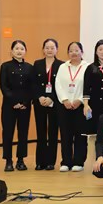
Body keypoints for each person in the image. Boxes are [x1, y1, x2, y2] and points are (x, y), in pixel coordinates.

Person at [0, 40, 33, 172]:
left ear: (25, 51)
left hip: (25, 106)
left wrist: (25, 103)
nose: (19, 51)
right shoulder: (5, 66)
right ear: (12, 51)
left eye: (22, 49)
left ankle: (21, 160)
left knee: (23, 133)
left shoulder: (30, 68)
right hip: (9, 105)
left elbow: (31, 88)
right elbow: (3, 86)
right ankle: (8, 161)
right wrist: (14, 102)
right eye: (16, 48)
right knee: (8, 133)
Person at [55, 42, 89, 172]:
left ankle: (79, 162)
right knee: (65, 134)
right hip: (64, 105)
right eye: (71, 51)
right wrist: (64, 99)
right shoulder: (63, 67)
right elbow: (58, 84)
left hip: (80, 105)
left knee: (80, 135)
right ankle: (66, 161)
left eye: (76, 50)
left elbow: (88, 86)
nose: (74, 53)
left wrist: (79, 100)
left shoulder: (87, 67)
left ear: (82, 52)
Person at [32, 38, 63, 171]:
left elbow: (61, 85)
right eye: (47, 47)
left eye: (52, 48)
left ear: (56, 49)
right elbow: (33, 83)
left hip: (54, 103)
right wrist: (39, 97)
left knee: (53, 132)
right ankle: (40, 162)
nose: (49, 50)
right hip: (39, 102)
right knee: (41, 132)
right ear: (43, 49)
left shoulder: (61, 65)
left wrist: (51, 98)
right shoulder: (37, 64)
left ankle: (51, 162)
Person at [82, 39, 103, 136]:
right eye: (100, 49)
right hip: (94, 106)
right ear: (96, 52)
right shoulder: (91, 68)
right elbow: (86, 88)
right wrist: (86, 105)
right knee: (94, 133)